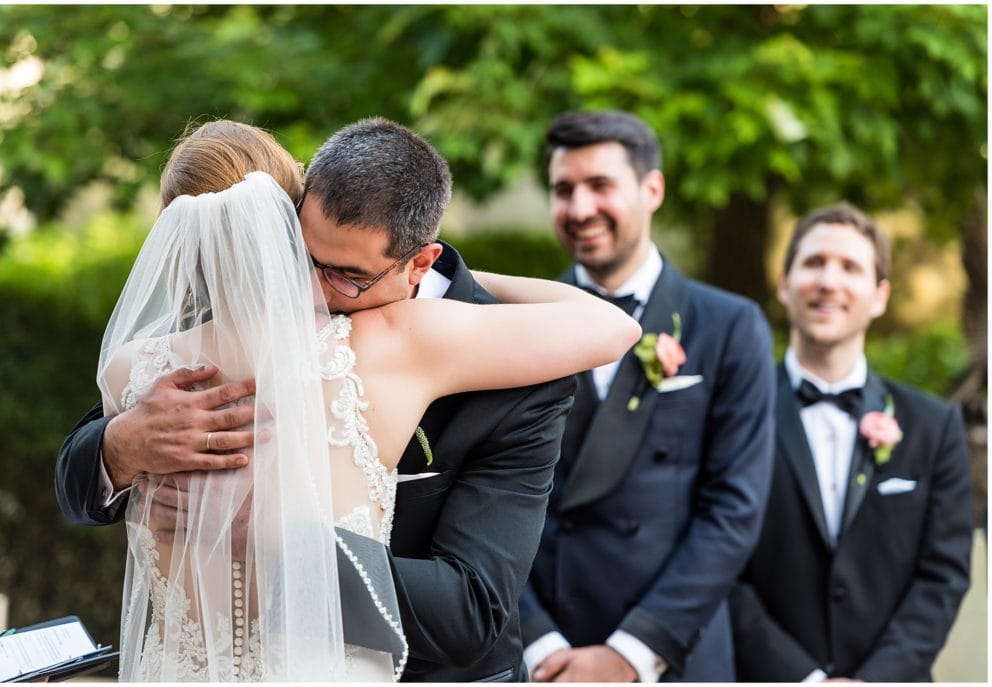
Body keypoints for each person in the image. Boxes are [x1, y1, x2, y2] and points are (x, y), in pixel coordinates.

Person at [57, 118, 636, 681]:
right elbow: (80, 476)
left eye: (345, 275)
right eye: (302, 259)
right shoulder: (169, 369)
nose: (308, 287)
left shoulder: (136, 363)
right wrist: (120, 446)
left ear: (420, 263)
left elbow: (470, 612)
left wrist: (283, 544)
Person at [518, 110, 775, 682]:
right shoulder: (515, 323)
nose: (580, 209)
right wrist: (536, 643)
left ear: (652, 188)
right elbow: (482, 496)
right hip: (542, 656)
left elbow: (735, 508)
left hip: (671, 654)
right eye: (564, 190)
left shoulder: (731, 325)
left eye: (600, 185)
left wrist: (631, 652)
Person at [728, 202, 973, 681]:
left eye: (850, 267)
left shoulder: (934, 427)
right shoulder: (736, 413)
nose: (828, 282)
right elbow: (722, 564)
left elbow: (942, 576)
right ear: (784, 282)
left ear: (880, 295)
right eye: (814, 263)